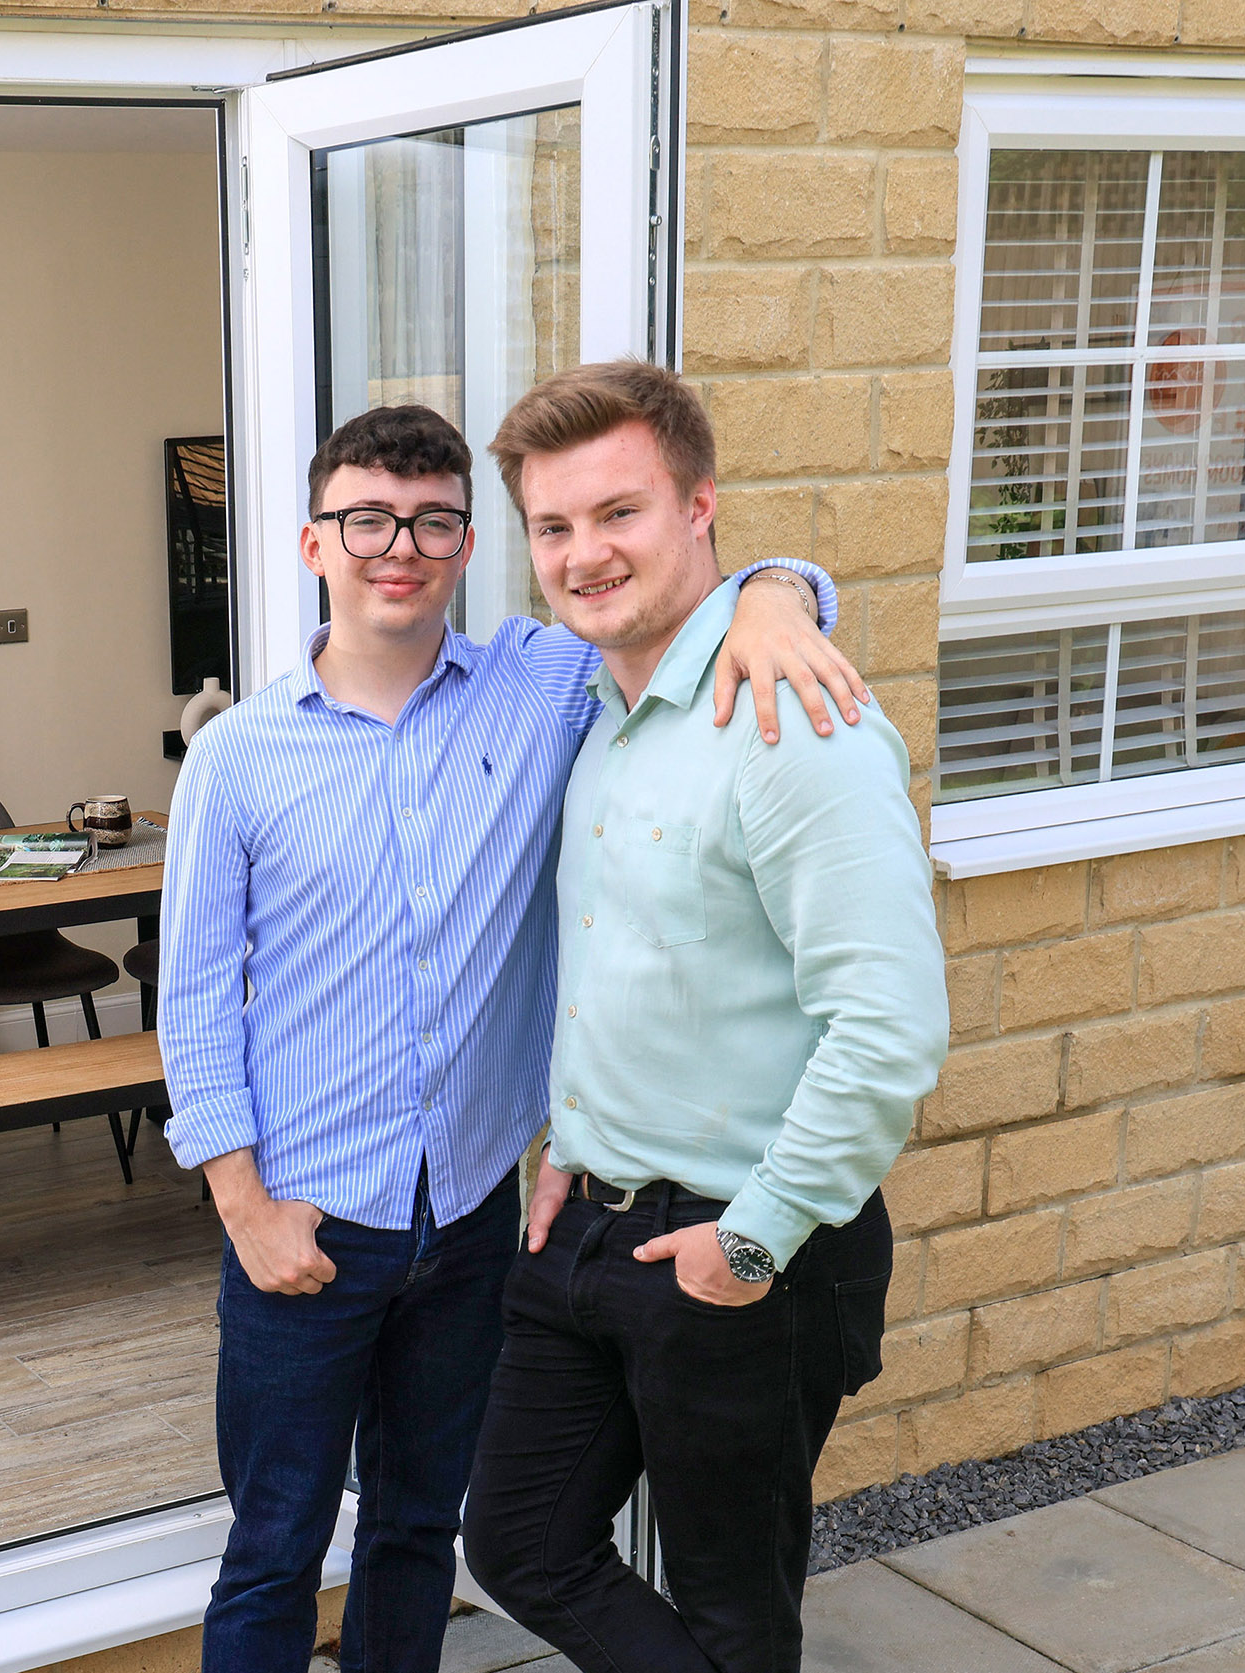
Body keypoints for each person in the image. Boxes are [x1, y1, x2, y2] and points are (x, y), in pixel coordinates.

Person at [157, 401, 867, 1673]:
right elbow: (196, 999)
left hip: (477, 1219)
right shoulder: (239, 758)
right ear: (314, 542)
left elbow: (683, 596)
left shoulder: (540, 685)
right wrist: (244, 1206)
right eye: (365, 517)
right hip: (305, 1222)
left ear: (466, 544)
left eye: (432, 521)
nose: (399, 546)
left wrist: (777, 595)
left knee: (420, 1529)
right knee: (274, 1541)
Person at [461, 361, 950, 1673]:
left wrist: (753, 1241)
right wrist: (566, 1133)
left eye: (617, 513)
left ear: (698, 511)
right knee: (517, 1539)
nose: (581, 555)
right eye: (552, 528)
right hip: (586, 1219)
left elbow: (890, 1027)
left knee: (739, 1619)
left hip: (746, 1247)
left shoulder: (792, 721)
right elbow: (622, 961)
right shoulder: (600, 712)